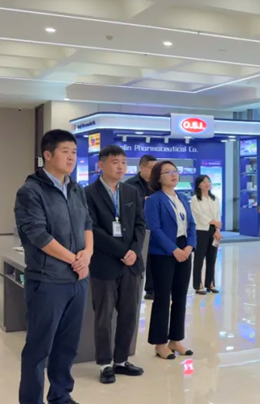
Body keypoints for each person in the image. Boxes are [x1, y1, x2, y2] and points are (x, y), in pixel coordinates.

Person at [15, 130, 93, 404]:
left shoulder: (76, 189)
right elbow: (38, 235)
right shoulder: (30, 191)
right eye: (65, 152)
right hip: (47, 280)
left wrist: (88, 254)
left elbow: (87, 224)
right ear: (47, 155)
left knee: (67, 345)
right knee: (38, 349)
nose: (71, 157)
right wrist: (74, 259)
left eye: (74, 152)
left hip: (78, 280)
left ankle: (60, 395)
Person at [86, 145, 146, 384]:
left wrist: (134, 251)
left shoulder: (131, 192)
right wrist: (122, 251)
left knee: (129, 314)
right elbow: (92, 229)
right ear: (101, 165)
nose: (121, 167)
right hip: (104, 264)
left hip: (131, 264)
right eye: (115, 162)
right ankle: (105, 363)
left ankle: (121, 360)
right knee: (103, 316)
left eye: (123, 162)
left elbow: (140, 225)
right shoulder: (88, 193)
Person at [144, 161, 197, 359]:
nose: (173, 175)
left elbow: (192, 224)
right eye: (168, 172)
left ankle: (175, 339)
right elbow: (154, 229)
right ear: (158, 177)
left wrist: (190, 246)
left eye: (175, 171)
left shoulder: (182, 198)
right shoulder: (154, 200)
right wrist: (173, 249)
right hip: (163, 253)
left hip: (184, 249)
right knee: (163, 298)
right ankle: (160, 343)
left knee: (181, 296)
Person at [126, 154, 157, 300]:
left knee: (154, 259)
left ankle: (151, 289)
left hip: (155, 226)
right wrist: (143, 200)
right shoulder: (130, 184)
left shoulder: (157, 185)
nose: (154, 171)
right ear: (142, 167)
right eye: (151, 167)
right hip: (137, 227)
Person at [191, 175, 222, 295]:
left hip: (214, 230)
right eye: (204, 182)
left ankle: (210, 283)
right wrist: (212, 221)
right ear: (199, 185)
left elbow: (218, 214)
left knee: (212, 257)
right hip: (201, 230)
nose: (207, 184)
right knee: (199, 258)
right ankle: (198, 285)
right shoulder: (195, 199)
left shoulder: (215, 199)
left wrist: (217, 229)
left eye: (208, 181)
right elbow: (198, 214)